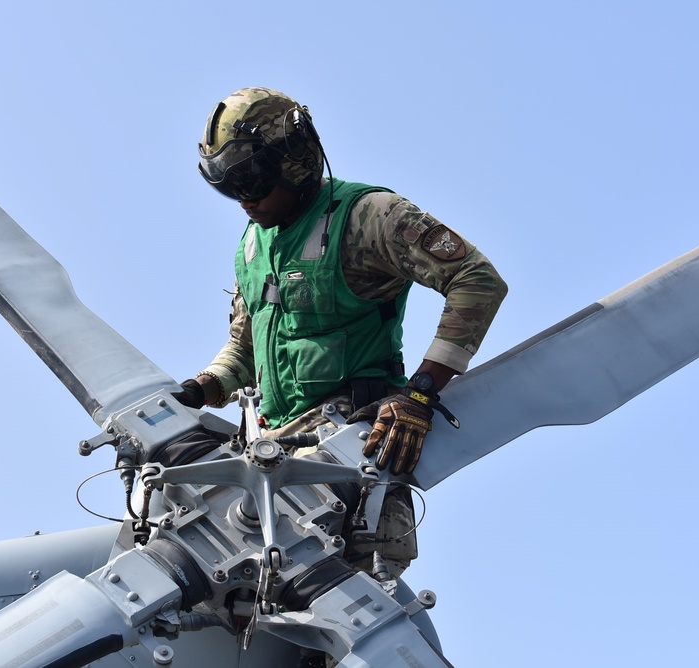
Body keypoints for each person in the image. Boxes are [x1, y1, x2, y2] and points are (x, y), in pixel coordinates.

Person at [175, 87, 508, 577]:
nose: (245, 198)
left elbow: (477, 281)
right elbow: (245, 348)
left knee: (349, 609)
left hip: (355, 450)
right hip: (271, 458)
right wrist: (201, 388)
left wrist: (420, 394)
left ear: (293, 158)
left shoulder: (369, 215)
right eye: (228, 186)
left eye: (251, 179)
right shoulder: (251, 247)